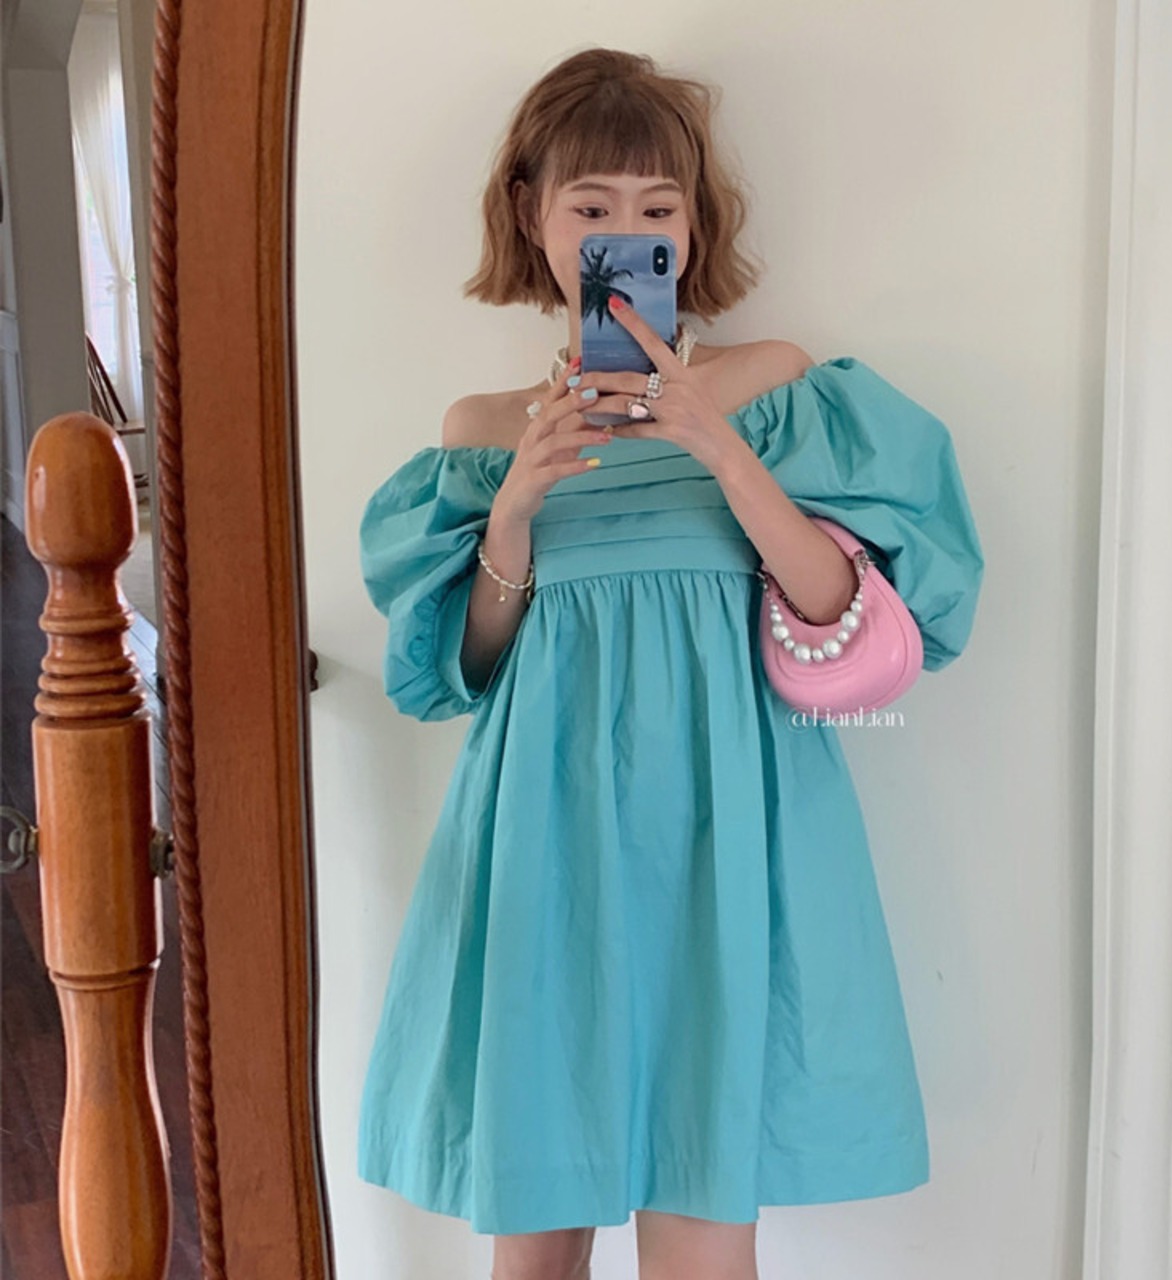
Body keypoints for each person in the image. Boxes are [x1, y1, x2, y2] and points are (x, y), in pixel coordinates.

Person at [356, 46, 984, 1280]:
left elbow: (839, 608)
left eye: (658, 209)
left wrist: (716, 443)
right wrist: (511, 510)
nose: (628, 235)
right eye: (592, 207)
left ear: (693, 228)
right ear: (532, 218)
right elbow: (461, 673)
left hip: (725, 828)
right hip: (545, 833)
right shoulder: (482, 433)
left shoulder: (773, 388)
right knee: (533, 1246)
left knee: (702, 1241)